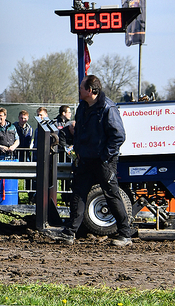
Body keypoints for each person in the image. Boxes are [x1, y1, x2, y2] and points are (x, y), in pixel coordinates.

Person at [50, 75, 133, 247]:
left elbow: (118, 136)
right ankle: (69, 233)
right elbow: (79, 131)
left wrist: (105, 156)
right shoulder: (82, 107)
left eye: (81, 87)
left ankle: (125, 234)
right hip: (85, 159)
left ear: (90, 90)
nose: (79, 90)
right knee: (78, 194)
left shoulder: (108, 108)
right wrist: (78, 151)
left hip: (103, 161)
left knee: (111, 195)